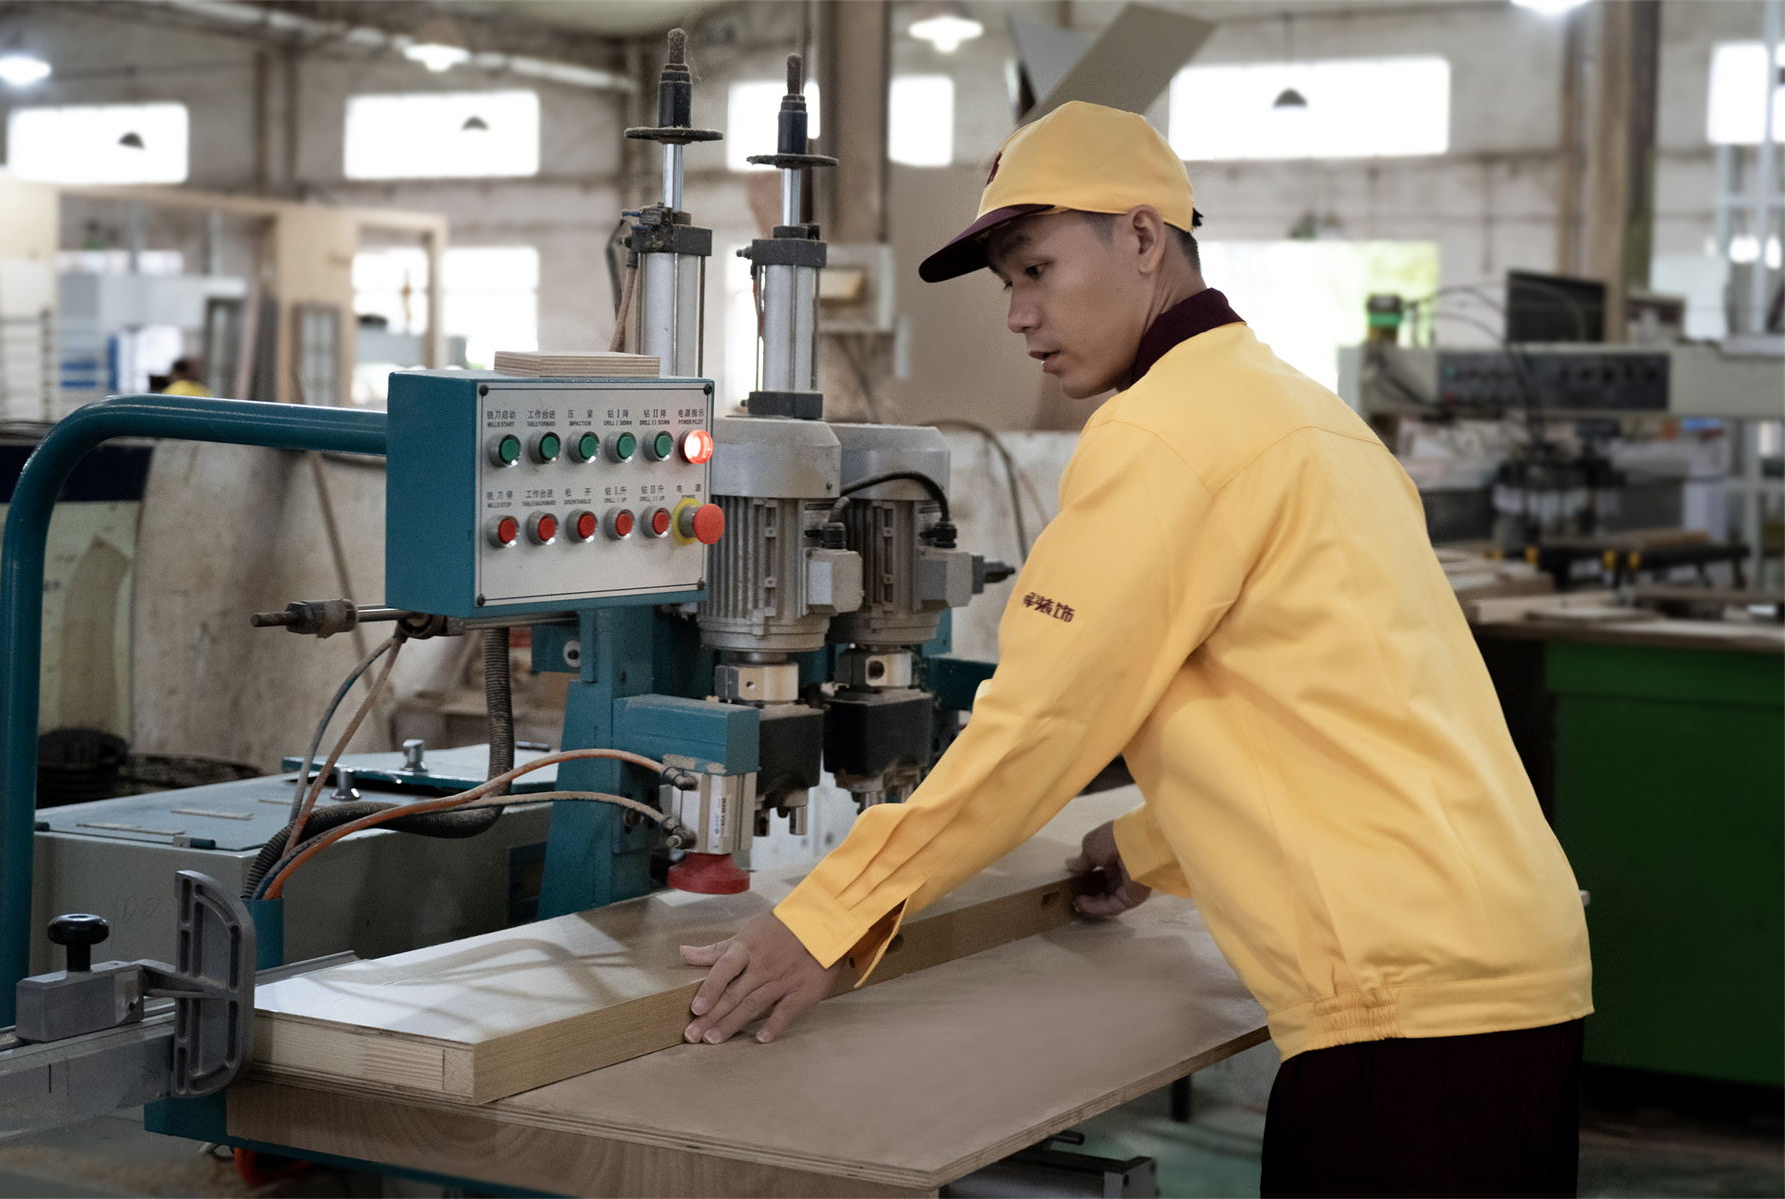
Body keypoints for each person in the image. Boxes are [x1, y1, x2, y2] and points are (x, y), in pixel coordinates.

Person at [679, 102, 1592, 1198]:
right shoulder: (1311, 417)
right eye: (1007, 283)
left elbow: (1039, 726)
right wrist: (1156, 842)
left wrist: (827, 918)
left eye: (1038, 269)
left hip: (1405, 1011)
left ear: (1145, 237)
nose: (1018, 314)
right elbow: (1364, 713)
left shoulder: (1164, 432)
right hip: (1516, 970)